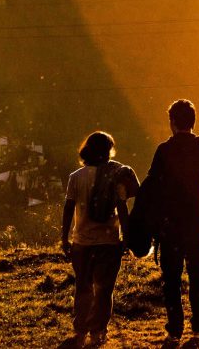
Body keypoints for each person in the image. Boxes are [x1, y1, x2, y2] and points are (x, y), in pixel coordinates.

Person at [145, 99, 199, 343]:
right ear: (194, 121)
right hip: (194, 222)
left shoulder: (164, 150)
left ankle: (174, 328)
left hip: (169, 223)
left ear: (171, 122)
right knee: (197, 273)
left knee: (171, 277)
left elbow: (152, 186)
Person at [61, 131, 139, 347]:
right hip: (109, 242)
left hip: (82, 242)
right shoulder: (115, 175)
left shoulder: (76, 177)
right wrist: (126, 236)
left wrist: (64, 238)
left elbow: (68, 209)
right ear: (108, 151)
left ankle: (81, 330)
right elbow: (122, 207)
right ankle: (98, 332)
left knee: (83, 287)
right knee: (104, 290)